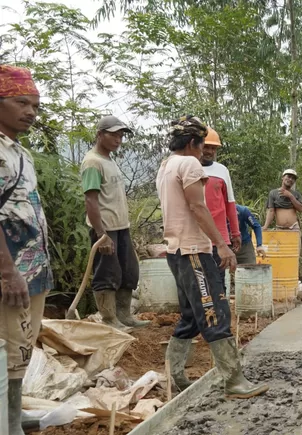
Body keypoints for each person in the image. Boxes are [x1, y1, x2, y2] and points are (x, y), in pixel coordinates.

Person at [156, 115, 268, 398]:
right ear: (193, 143)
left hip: (176, 251)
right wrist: (221, 243)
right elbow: (198, 207)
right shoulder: (189, 164)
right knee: (215, 312)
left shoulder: (166, 166)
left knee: (192, 317)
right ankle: (234, 380)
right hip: (194, 250)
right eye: (201, 145)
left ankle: (176, 376)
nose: (203, 151)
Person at [0, 65, 53, 435]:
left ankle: (12, 416)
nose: (31, 112)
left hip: (30, 266)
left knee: (24, 340)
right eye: (21, 103)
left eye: (34, 105)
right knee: (12, 341)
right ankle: (10, 430)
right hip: (11, 267)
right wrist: (7, 270)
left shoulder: (18, 151)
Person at [81, 116, 149, 330]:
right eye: (114, 134)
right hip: (106, 229)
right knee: (107, 274)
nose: (118, 139)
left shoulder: (109, 160)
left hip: (121, 227)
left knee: (129, 272)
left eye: (121, 135)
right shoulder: (93, 162)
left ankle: (124, 316)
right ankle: (110, 320)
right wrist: (102, 235)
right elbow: (90, 200)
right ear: (100, 135)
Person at [200, 127, 240, 293]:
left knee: (218, 279)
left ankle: (219, 315)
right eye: (206, 146)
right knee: (198, 282)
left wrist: (235, 233)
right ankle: (199, 317)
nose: (209, 151)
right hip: (195, 234)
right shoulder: (188, 167)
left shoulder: (222, 170)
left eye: (213, 148)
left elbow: (230, 204)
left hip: (219, 236)